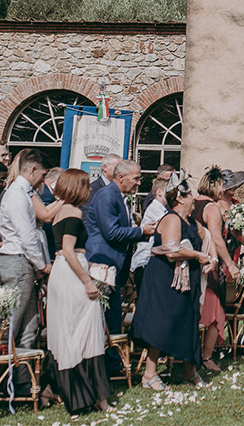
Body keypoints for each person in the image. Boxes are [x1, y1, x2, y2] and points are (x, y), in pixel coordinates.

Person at [133, 172, 215, 390]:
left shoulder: (190, 221)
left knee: (189, 321)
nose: (194, 200)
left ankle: (189, 371)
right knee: (163, 323)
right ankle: (149, 374)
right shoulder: (171, 219)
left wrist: (210, 258)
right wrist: (198, 256)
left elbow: (205, 237)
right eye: (190, 196)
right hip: (166, 278)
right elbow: (171, 251)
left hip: (189, 278)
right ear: (180, 198)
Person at [47, 168, 114, 414]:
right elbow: (68, 249)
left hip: (61, 273)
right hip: (71, 272)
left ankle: (67, 389)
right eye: (86, 186)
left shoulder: (59, 211)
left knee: (67, 331)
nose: (89, 191)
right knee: (88, 330)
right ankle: (96, 396)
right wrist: (87, 280)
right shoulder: (73, 212)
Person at [84, 158, 153, 375]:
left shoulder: (119, 196)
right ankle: (105, 366)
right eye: (136, 178)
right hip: (102, 264)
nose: (139, 183)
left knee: (113, 317)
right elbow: (111, 232)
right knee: (105, 318)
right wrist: (141, 232)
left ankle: (111, 365)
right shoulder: (106, 196)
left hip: (114, 266)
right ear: (120, 177)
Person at [0, 148, 50, 350]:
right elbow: (27, 236)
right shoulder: (16, 194)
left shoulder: (24, 192)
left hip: (25, 262)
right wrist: (42, 265)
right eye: (43, 175)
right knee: (11, 323)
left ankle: (23, 380)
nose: (42, 179)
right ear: (33, 169)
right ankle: (1, 375)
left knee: (30, 324)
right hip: (17, 261)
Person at [194, 167, 239, 372]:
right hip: (210, 263)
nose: (224, 189)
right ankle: (206, 356)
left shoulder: (193, 203)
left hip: (193, 261)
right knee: (213, 310)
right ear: (215, 185)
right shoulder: (212, 208)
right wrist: (229, 264)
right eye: (222, 184)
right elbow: (217, 239)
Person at [132, 176, 170, 292]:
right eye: (168, 191)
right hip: (144, 262)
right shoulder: (154, 208)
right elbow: (167, 225)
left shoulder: (163, 209)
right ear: (159, 192)